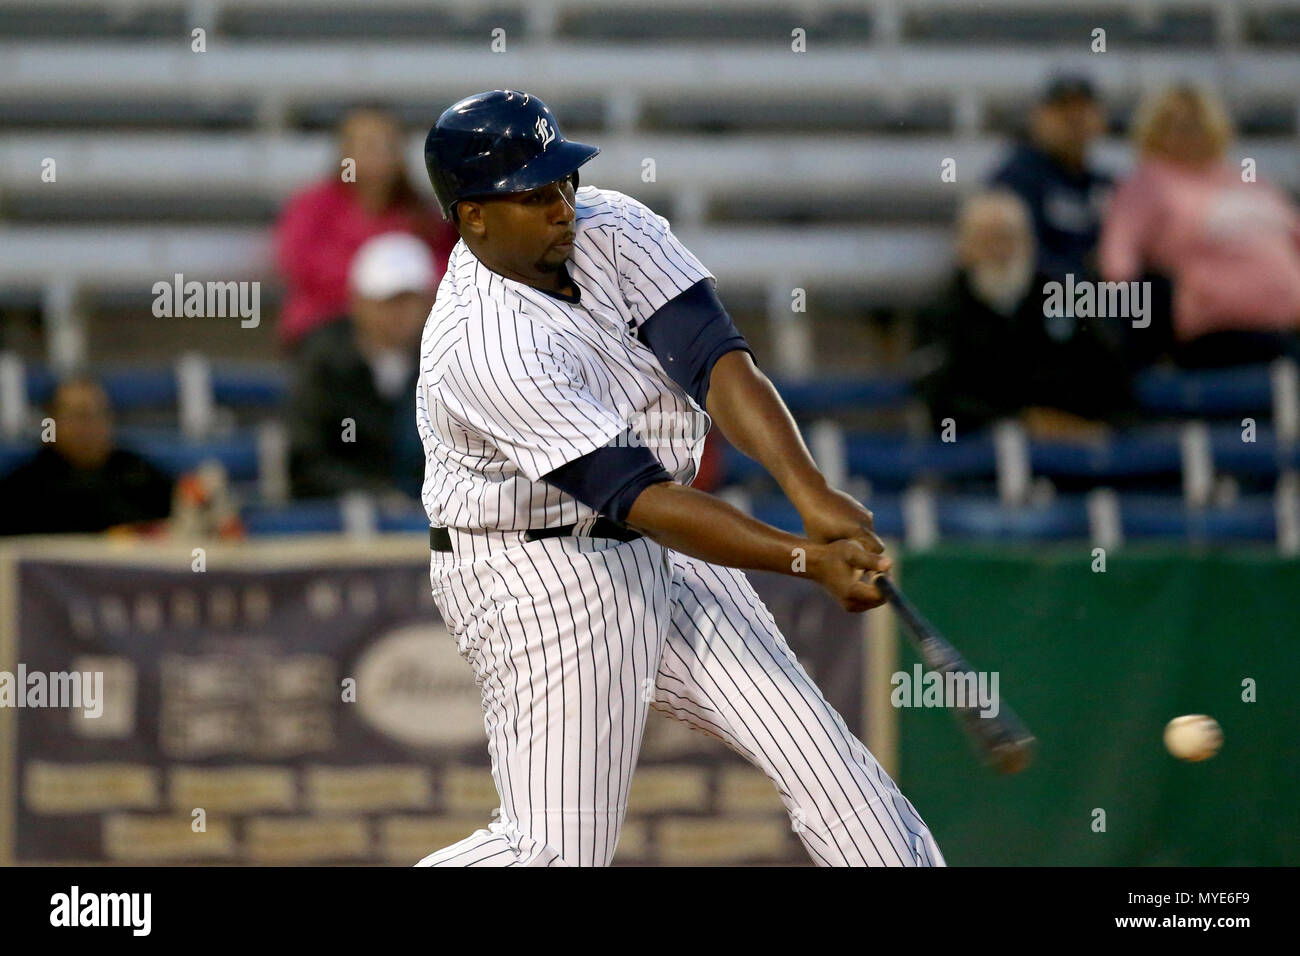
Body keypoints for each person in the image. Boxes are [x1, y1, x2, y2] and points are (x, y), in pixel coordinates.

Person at [414, 90, 944, 867]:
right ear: (473, 218)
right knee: (553, 853)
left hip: (662, 543)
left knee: (836, 774)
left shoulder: (612, 226)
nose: (563, 207)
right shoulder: (483, 344)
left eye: (564, 181)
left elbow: (715, 362)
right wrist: (807, 559)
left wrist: (809, 493)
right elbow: (643, 500)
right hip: (539, 573)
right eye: (535, 194)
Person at [1099, 83, 1300, 368]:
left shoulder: (1249, 179)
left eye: (1196, 123)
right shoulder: (1147, 182)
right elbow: (1118, 258)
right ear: (1154, 131)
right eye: (1175, 125)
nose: (1188, 133)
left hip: (1290, 323)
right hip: (1220, 332)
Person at [913, 191, 1132, 439]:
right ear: (963, 247)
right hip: (978, 452)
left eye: (1006, 238)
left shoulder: (1065, 296)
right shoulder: (941, 309)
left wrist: (1079, 421)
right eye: (986, 240)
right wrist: (1021, 421)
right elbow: (937, 396)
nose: (997, 251)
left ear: (1028, 242)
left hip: (1073, 447)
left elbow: (1110, 369)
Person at [274, 104, 457, 351]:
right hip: (329, 326)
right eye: (369, 145)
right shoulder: (313, 206)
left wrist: (408, 299)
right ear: (345, 152)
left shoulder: (424, 213)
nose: (379, 155)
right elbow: (298, 263)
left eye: (388, 145)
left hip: (412, 329)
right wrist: (375, 297)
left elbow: (449, 268)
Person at [287, 232, 435, 501]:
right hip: (340, 523)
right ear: (358, 303)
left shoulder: (445, 360)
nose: (398, 314)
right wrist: (376, 496)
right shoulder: (325, 363)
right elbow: (307, 457)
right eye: (387, 301)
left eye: (408, 300)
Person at [0, 377, 173, 535]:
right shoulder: (24, 488)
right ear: (51, 422)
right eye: (80, 416)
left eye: (100, 414)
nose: (91, 426)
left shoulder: (138, 473)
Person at [990, 75, 1112, 282]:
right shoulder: (1014, 180)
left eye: (1082, 111)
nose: (1074, 120)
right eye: (1063, 112)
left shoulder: (1106, 185)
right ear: (1038, 117)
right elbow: (1021, 257)